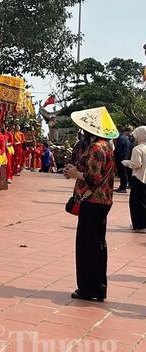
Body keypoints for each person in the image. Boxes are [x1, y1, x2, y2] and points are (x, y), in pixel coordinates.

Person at [64, 106, 117, 302]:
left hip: (93, 201)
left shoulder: (96, 147)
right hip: (102, 200)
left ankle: (88, 289)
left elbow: (93, 177)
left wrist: (75, 174)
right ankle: (97, 287)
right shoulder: (106, 146)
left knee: (87, 246)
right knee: (97, 244)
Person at [122, 126, 146, 231]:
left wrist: (127, 163)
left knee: (137, 203)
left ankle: (140, 225)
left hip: (139, 178)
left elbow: (136, 164)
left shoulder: (137, 149)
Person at [114, 127, 133, 192]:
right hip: (125, 157)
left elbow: (118, 149)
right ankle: (125, 185)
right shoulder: (124, 138)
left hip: (121, 158)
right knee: (125, 172)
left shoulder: (121, 138)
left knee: (122, 173)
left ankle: (123, 187)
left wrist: (114, 154)